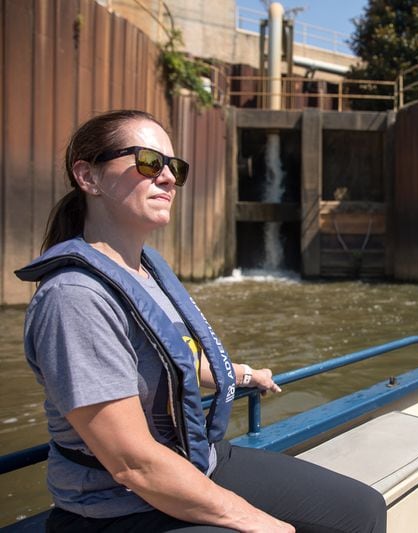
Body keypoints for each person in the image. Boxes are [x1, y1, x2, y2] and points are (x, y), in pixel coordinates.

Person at [16, 109, 387, 532]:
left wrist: (241, 374)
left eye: (174, 167)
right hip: (121, 506)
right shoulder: (75, 299)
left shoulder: (146, 272)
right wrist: (260, 522)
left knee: (362, 509)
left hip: (196, 459)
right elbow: (132, 464)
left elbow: (163, 362)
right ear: (89, 177)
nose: (169, 178)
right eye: (149, 162)